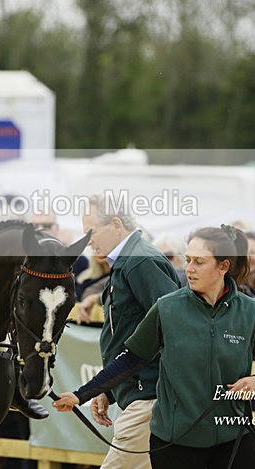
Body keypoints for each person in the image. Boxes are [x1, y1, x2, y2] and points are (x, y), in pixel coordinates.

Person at [53, 225, 255, 469]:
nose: (190, 268)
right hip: (176, 441)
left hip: (235, 437)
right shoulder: (167, 308)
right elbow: (129, 359)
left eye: (199, 262)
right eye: (188, 260)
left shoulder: (252, 312)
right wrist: (81, 395)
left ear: (223, 266)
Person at [72, 193, 181, 469]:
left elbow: (173, 325)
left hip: (150, 397)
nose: (88, 241)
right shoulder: (130, 261)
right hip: (143, 395)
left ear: (116, 224)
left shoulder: (141, 261)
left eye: (91, 232)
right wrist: (109, 390)